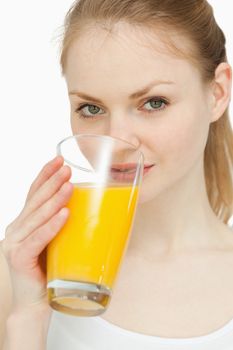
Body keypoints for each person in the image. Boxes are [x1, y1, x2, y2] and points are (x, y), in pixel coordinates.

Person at [1, 0, 233, 348]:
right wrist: (25, 318)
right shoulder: (20, 273)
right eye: (91, 108)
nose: (117, 141)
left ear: (217, 94)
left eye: (154, 102)